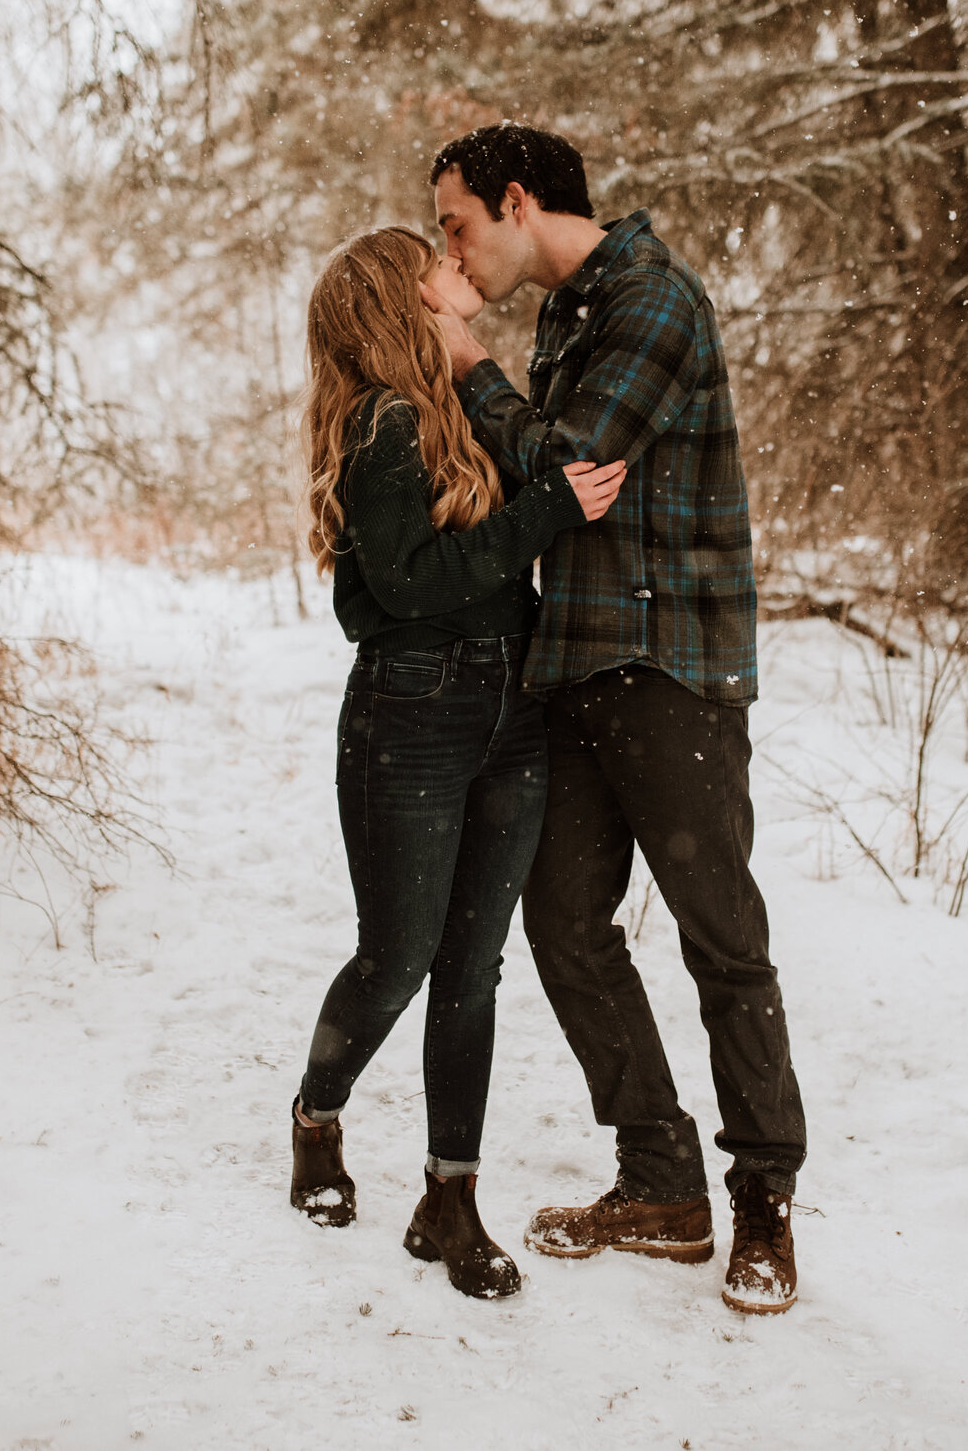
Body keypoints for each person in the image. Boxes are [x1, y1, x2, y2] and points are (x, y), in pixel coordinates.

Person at [420, 123, 808, 1316]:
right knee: (562, 923)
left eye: (457, 223)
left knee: (720, 940)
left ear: (519, 199)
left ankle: (762, 1209)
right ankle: (660, 1179)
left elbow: (575, 468)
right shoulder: (575, 313)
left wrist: (465, 363)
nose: (453, 249)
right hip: (580, 667)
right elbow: (556, 496)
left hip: (675, 670)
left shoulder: (652, 300)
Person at [288, 226, 626, 1301]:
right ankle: (316, 1115)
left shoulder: (459, 410)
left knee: (472, 972)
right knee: (396, 959)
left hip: (510, 713)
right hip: (412, 717)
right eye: (435, 265)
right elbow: (410, 588)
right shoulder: (384, 424)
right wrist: (544, 512)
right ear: (404, 301)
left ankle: (450, 1196)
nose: (458, 269)